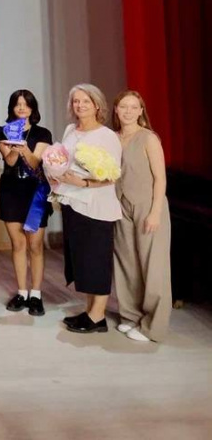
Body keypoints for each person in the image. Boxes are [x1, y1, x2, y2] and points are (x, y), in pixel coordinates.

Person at [49, 84, 122, 334]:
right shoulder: (71, 130)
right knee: (82, 260)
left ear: (97, 105)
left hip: (96, 206)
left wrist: (85, 183)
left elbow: (113, 175)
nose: (80, 106)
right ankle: (90, 310)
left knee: (97, 260)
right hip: (73, 203)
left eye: (85, 101)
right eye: (76, 101)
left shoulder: (107, 136)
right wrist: (55, 173)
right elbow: (63, 162)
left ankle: (98, 317)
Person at [111, 91, 172, 342]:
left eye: (133, 107)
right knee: (126, 263)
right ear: (116, 110)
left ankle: (153, 327)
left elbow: (160, 178)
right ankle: (130, 316)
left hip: (148, 206)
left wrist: (155, 212)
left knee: (153, 266)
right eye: (123, 106)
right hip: (120, 206)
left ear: (140, 111)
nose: (128, 111)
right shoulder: (113, 138)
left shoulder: (148, 138)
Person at [0, 90, 52, 316]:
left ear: (32, 108)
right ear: (12, 107)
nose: (21, 108)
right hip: (11, 191)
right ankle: (22, 292)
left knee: (35, 245)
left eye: (26, 104)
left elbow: (36, 163)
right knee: (17, 244)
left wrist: (24, 147)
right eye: (17, 104)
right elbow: (9, 161)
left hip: (35, 192)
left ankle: (36, 294)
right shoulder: (2, 131)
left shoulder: (42, 133)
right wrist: (13, 147)